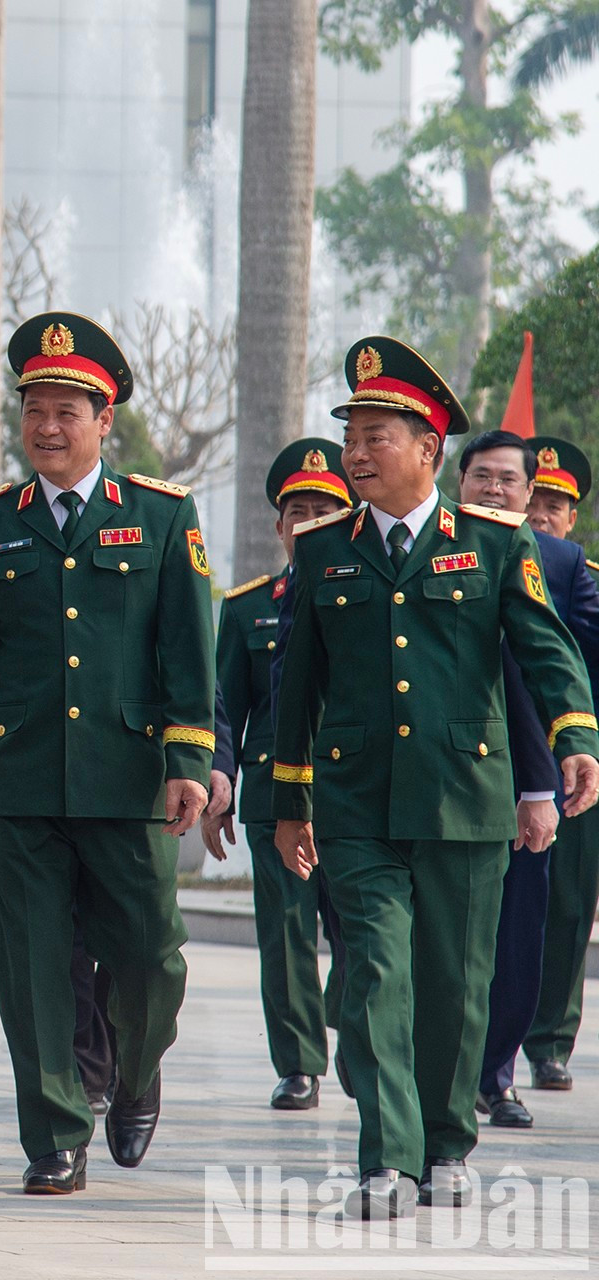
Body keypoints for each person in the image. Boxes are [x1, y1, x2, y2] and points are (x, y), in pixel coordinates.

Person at [270, 337, 599, 1219]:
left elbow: (545, 649)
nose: (359, 453)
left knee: (456, 985)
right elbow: (293, 687)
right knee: (375, 973)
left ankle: (448, 1142)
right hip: (357, 803)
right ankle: (387, 1157)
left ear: (430, 450)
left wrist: (575, 737)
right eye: (352, 437)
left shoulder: (494, 544)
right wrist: (288, 801)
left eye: (379, 435)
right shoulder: (321, 550)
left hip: (464, 798)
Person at [0, 311, 214, 1196]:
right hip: (21, 787)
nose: (47, 428)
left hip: (130, 781)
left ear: (104, 420)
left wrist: (189, 765)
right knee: (32, 967)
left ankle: (134, 1074)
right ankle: (54, 1135)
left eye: (67, 411)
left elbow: (187, 653)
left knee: (151, 959)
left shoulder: (163, 518)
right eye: (34, 411)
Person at [454, 430, 599, 1129]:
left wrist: (574, 748)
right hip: (449, 780)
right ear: (459, 481)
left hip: (531, 780)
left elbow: (576, 661)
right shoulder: (430, 549)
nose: (496, 490)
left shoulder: (565, 563)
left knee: (520, 935)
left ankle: (497, 1072)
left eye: (510, 481)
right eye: (482, 476)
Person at [202, 440, 351, 1110]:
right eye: (299, 512)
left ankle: (353, 1023)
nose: (310, 522)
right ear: (279, 525)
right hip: (270, 794)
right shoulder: (247, 608)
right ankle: (298, 1065)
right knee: (286, 934)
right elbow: (224, 708)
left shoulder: (369, 596)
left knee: (361, 930)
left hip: (353, 795)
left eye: (326, 510)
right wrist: (217, 781)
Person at [522, 437, 599, 1091]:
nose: (542, 516)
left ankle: (548, 1042)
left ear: (571, 518)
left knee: (568, 907)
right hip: (496, 766)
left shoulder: (582, 578)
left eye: (555, 506)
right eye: (535, 501)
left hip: (571, 773)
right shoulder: (475, 566)